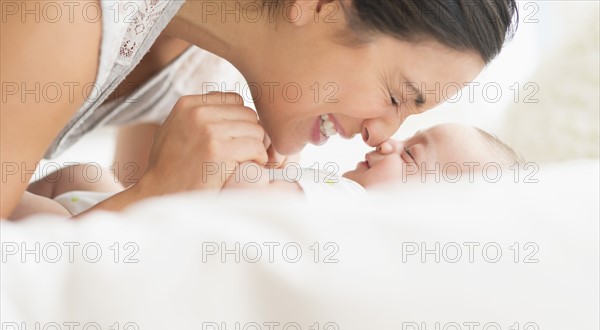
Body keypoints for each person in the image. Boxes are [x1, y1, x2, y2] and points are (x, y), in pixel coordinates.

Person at [1, 0, 518, 219]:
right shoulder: (62, 19)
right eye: (396, 97)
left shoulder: (207, 71)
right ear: (319, 5)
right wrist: (151, 194)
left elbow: (154, 229)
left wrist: (151, 191)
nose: (379, 136)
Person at [23, 123, 520, 216]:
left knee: (44, 213)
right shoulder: (336, 194)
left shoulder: (352, 210)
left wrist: (255, 164)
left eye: (411, 154)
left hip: (95, 233)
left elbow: (250, 195)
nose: (390, 141)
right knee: (83, 176)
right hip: (126, 214)